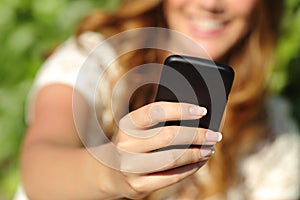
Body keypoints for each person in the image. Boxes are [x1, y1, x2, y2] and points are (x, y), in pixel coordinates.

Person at [16, 0, 300, 199]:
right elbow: (39, 167)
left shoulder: (274, 138)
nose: (210, 3)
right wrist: (111, 172)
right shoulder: (95, 62)